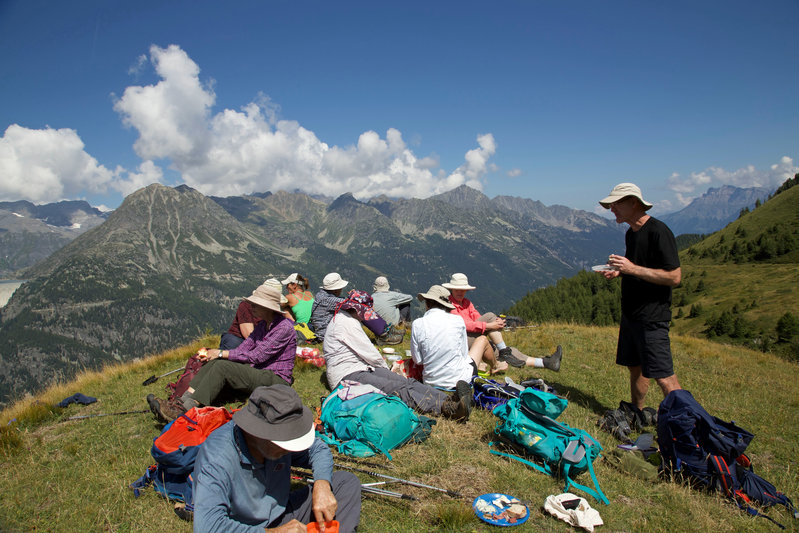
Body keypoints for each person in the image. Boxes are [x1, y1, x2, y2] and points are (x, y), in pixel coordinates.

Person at [193, 384, 361, 533]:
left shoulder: (276, 444)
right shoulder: (217, 456)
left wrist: (322, 485)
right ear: (255, 432)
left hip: (282, 512)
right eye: (284, 440)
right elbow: (208, 526)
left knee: (346, 482)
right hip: (243, 527)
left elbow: (318, 450)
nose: (288, 448)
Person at [148, 284, 297, 422]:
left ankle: (185, 410)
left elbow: (257, 356)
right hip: (260, 373)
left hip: (276, 379)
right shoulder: (263, 325)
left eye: (255, 304)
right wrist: (217, 355)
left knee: (222, 366)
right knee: (216, 362)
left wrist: (221, 353)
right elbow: (243, 348)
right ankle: (181, 401)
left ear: (267, 307)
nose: (251, 307)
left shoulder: (283, 328)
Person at [323, 290, 471, 421]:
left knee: (405, 382)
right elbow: (369, 352)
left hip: (359, 368)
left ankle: (450, 400)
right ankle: (446, 408)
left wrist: (384, 371)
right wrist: (385, 370)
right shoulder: (347, 323)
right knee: (397, 387)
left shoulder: (345, 318)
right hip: (347, 375)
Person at [598, 182, 682, 409]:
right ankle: (638, 412)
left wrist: (631, 269)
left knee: (664, 376)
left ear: (634, 202)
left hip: (652, 316)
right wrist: (619, 271)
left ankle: (686, 427)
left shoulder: (658, 231)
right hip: (632, 313)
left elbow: (674, 277)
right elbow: (638, 268)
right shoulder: (632, 233)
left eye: (616, 204)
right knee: (635, 366)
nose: (611, 208)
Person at [443, 273, 562, 372]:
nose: (460, 292)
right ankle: (503, 351)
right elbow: (464, 324)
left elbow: (477, 317)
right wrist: (490, 324)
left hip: (473, 339)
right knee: (490, 316)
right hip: (461, 340)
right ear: (451, 289)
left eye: (463, 289)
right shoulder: (448, 304)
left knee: (510, 352)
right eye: (457, 289)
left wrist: (494, 323)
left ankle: (546, 362)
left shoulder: (467, 303)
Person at [410, 285, 492, 391]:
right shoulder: (457, 320)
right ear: (446, 305)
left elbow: (418, 360)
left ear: (427, 303)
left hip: (431, 382)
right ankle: (495, 366)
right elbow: (463, 354)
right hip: (461, 380)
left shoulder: (417, 324)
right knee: (482, 340)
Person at [309, 272, 348, 342]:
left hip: (321, 332)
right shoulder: (327, 300)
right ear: (336, 290)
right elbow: (349, 303)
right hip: (325, 335)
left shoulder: (321, 295)